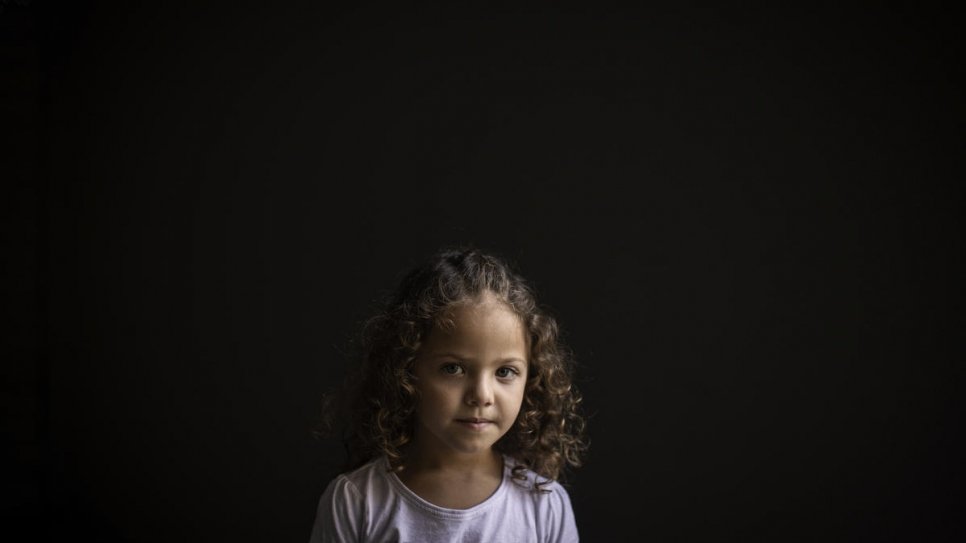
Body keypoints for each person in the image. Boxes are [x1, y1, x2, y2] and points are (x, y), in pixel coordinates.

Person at [308, 246, 588, 542]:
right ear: (405, 370)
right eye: (453, 369)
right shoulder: (356, 502)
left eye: (505, 372)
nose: (482, 395)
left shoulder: (544, 506)